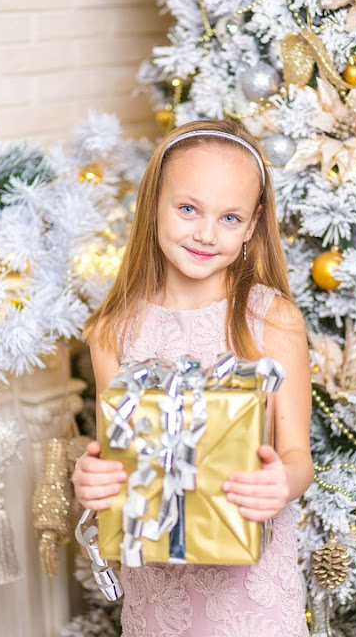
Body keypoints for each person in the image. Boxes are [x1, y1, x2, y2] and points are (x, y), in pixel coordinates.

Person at [72, 118, 314, 637]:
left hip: (252, 604)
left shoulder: (273, 320)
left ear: (252, 225)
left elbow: (298, 458)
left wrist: (282, 481)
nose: (206, 234)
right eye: (188, 209)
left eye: (230, 217)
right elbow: (117, 464)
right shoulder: (113, 332)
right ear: (154, 204)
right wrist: (93, 481)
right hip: (159, 603)